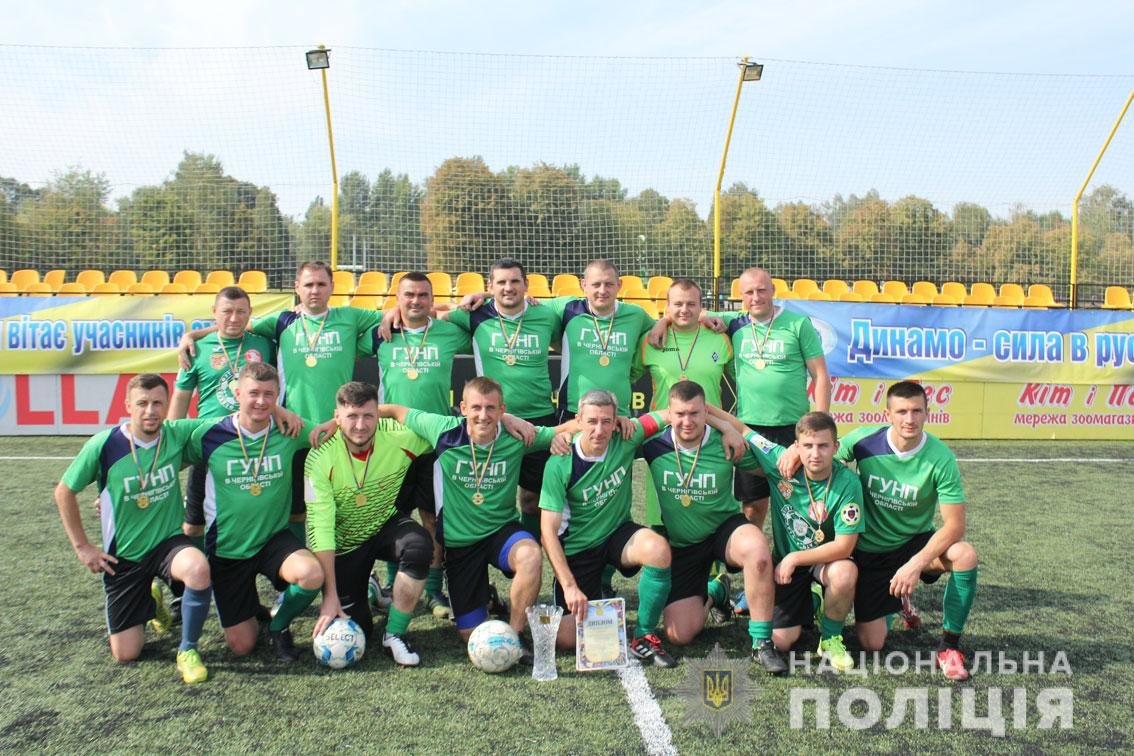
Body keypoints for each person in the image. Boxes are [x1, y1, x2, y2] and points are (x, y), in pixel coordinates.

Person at [179, 262, 384, 540]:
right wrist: (192, 335)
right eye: (308, 285)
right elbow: (234, 326)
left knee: (343, 506)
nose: (314, 290)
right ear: (297, 288)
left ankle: (342, 563)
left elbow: (397, 317)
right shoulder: (282, 321)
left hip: (340, 428)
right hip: (294, 429)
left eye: (321, 284)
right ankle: (298, 566)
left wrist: (394, 312)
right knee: (297, 509)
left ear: (332, 287)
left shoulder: (350, 316)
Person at [538, 389, 742, 666]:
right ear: (579, 421)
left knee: (657, 548)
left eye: (606, 421)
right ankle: (597, 600)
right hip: (578, 550)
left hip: (617, 535)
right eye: (592, 421)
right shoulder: (560, 462)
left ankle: (643, 635)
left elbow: (673, 413)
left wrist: (727, 427)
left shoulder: (628, 435)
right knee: (566, 639)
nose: (599, 430)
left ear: (617, 421)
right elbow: (548, 533)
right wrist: (570, 586)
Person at [377, 377, 564, 653]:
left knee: (530, 555)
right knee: (471, 636)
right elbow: (395, 410)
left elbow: (568, 428)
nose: (483, 415)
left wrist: (614, 422)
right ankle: (485, 597)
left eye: (491, 408)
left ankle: (516, 636)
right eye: (476, 407)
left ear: (502, 410)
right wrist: (337, 423)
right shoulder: (442, 430)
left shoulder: (516, 436)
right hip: (461, 544)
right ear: (463, 408)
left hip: (501, 531)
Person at [54, 374, 213, 684]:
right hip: (124, 556)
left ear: (167, 406)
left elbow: (232, 420)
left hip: (168, 544)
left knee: (198, 568)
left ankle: (187, 650)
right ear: (127, 405)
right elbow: (64, 492)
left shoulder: (176, 434)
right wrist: (83, 547)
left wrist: (275, 410)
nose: (150, 411)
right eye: (142, 403)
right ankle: (151, 603)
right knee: (126, 653)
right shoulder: (105, 445)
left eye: (158, 403)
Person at [821, 380, 977, 681]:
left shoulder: (941, 456)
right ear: (888, 414)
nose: (910, 419)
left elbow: (955, 525)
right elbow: (827, 458)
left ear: (927, 413)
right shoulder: (864, 440)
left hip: (914, 544)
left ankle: (949, 648)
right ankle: (898, 603)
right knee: (872, 643)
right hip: (870, 549)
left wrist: (915, 565)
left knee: (965, 555)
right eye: (902, 411)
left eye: (917, 411)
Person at [185, 362, 324, 663]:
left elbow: (329, 433)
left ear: (277, 397)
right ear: (237, 393)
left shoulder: (290, 429)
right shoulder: (208, 434)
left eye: (269, 395)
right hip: (228, 549)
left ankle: (278, 625)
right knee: (242, 646)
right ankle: (250, 609)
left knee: (311, 574)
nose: (261, 401)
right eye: (253, 393)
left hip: (273, 539)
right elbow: (162, 451)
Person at [642, 380, 784, 674]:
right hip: (683, 544)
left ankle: (761, 643)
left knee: (757, 551)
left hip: (724, 531)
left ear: (706, 412)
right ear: (669, 413)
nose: (687, 421)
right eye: (680, 414)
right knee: (679, 635)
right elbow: (610, 438)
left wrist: (733, 430)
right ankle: (716, 591)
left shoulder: (724, 441)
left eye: (695, 413)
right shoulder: (652, 444)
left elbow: (770, 466)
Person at [361, 271, 472, 618]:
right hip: (390, 443)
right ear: (397, 299)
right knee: (391, 517)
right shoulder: (380, 334)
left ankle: (434, 590)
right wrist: (386, 316)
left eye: (423, 295)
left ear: (432, 299)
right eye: (408, 295)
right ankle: (393, 586)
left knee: (433, 519)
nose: (415, 301)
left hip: (434, 443)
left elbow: (482, 318)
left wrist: (459, 304)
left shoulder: (449, 333)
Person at [725, 409, 864, 672]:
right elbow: (743, 429)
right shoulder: (779, 461)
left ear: (836, 447)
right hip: (787, 567)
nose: (815, 453)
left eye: (823, 446)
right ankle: (814, 601)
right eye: (808, 446)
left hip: (824, 562)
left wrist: (795, 558)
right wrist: (705, 413)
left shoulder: (848, 483)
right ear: (796, 447)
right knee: (781, 641)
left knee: (845, 573)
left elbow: (844, 546)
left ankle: (831, 639)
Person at [305, 381, 434, 666]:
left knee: (419, 546)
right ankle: (369, 588)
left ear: (379, 414)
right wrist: (329, 596)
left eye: (368, 416)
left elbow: (456, 428)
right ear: (337, 417)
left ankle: (395, 634)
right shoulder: (319, 456)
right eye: (351, 416)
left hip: (383, 524)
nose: (361, 425)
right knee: (358, 629)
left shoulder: (399, 435)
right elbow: (320, 530)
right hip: (345, 544)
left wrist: (506, 419)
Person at [168, 285, 276, 624]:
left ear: (249, 314)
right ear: (214, 313)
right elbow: (181, 399)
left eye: (241, 312)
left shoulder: (263, 343)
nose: (233, 318)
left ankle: (254, 592)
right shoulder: (197, 349)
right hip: (209, 445)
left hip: (254, 445)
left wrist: (192, 330)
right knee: (193, 524)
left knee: (251, 519)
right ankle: (184, 590)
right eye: (226, 312)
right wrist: (169, 443)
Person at [446, 258, 564, 540]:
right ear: (490, 285)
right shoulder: (475, 315)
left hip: (538, 419)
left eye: (514, 281)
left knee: (533, 500)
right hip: (491, 419)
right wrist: (479, 297)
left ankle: (529, 551)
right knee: (487, 494)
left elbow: (569, 331)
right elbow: (431, 313)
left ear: (526, 285)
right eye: (501, 282)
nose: (508, 287)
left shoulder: (547, 315)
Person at [635, 278, 732, 532]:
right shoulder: (651, 340)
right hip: (663, 441)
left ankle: (715, 558)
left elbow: (742, 382)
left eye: (691, 304)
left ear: (702, 307)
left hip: (710, 439)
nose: (684, 309)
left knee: (710, 514)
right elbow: (627, 377)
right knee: (662, 517)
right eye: (678, 304)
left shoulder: (720, 340)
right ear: (667, 307)